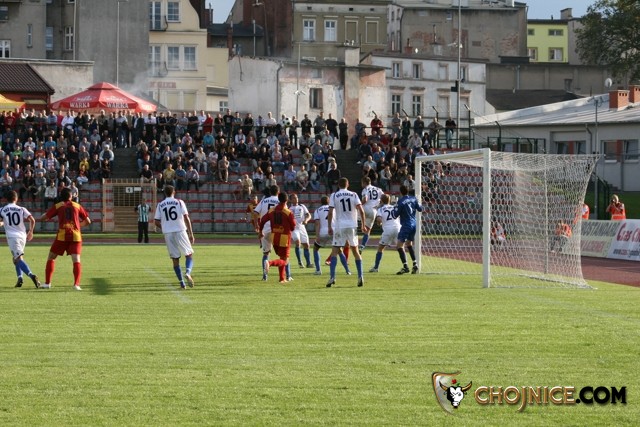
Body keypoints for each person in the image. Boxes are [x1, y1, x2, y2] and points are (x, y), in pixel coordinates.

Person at [39, 187, 91, 290]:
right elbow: (88, 221)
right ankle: (76, 285)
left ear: (61, 197)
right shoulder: (77, 205)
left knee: (51, 257)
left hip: (62, 236)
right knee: (76, 259)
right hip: (75, 236)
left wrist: (44, 216)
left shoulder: (58, 206)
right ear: (71, 196)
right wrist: (77, 226)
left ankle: (47, 283)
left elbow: (43, 218)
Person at [327, 177, 368, 287]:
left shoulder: (334, 195)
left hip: (340, 226)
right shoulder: (353, 194)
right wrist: (363, 225)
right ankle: (360, 276)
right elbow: (361, 211)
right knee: (355, 251)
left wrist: (329, 226)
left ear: (338, 185)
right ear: (348, 184)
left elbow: (330, 212)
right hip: (352, 226)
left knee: (335, 251)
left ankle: (332, 277)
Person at [154, 185, 195, 289]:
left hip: (168, 233)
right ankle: (188, 273)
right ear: (174, 192)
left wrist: (165, 227)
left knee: (175, 259)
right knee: (189, 254)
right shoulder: (179, 202)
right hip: (180, 230)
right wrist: (191, 233)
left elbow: (156, 222)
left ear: (165, 193)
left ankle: (182, 283)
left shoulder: (160, 204)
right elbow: (186, 217)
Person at [0, 191, 41, 288]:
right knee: (16, 258)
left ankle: (32, 275)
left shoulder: (2, 209)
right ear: (16, 199)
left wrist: (1, 223)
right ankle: (20, 279)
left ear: (6, 199)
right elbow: (32, 220)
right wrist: (31, 231)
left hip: (12, 237)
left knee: (17, 259)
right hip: (22, 236)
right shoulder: (21, 209)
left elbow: (1, 221)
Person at [259, 192, 296, 284]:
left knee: (281, 258)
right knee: (285, 260)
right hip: (284, 238)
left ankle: (282, 278)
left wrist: (260, 231)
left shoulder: (272, 210)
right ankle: (269, 263)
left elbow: (262, 220)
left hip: (274, 237)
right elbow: (293, 227)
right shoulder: (288, 212)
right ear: (287, 200)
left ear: (278, 199)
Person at [254, 185, 283, 281]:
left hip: (265, 230)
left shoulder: (263, 201)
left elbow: (255, 213)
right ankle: (287, 275)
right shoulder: (280, 201)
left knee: (266, 253)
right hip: (277, 230)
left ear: (270, 192)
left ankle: (265, 276)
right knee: (283, 254)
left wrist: (257, 226)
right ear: (278, 192)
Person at [393, 184, 423, 275]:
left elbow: (395, 215)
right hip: (414, 224)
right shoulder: (414, 199)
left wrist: (395, 206)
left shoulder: (401, 201)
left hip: (406, 225)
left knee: (399, 245)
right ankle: (415, 264)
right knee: (409, 244)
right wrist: (419, 201)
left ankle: (405, 266)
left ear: (400, 192)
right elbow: (420, 209)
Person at [369, 194, 401, 273]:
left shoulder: (380, 209)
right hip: (398, 228)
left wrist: (379, 223)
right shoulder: (394, 207)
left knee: (380, 248)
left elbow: (379, 220)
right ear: (389, 200)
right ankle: (405, 265)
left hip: (388, 230)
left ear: (381, 201)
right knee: (401, 247)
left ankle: (376, 267)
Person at [360, 176, 384, 251]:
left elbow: (365, 199)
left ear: (364, 182)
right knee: (367, 231)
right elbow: (384, 198)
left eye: (362, 183)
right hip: (373, 210)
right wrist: (379, 205)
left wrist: (358, 205)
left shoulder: (365, 189)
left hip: (364, 209)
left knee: (353, 219)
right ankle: (362, 246)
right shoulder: (378, 189)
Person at [289, 193, 313, 268]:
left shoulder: (302, 206)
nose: (296, 199)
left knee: (306, 245)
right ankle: (300, 262)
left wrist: (306, 220)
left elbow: (309, 215)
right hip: (294, 228)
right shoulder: (289, 208)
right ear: (290, 200)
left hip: (302, 227)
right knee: (298, 242)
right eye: (294, 198)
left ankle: (308, 263)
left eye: (296, 197)